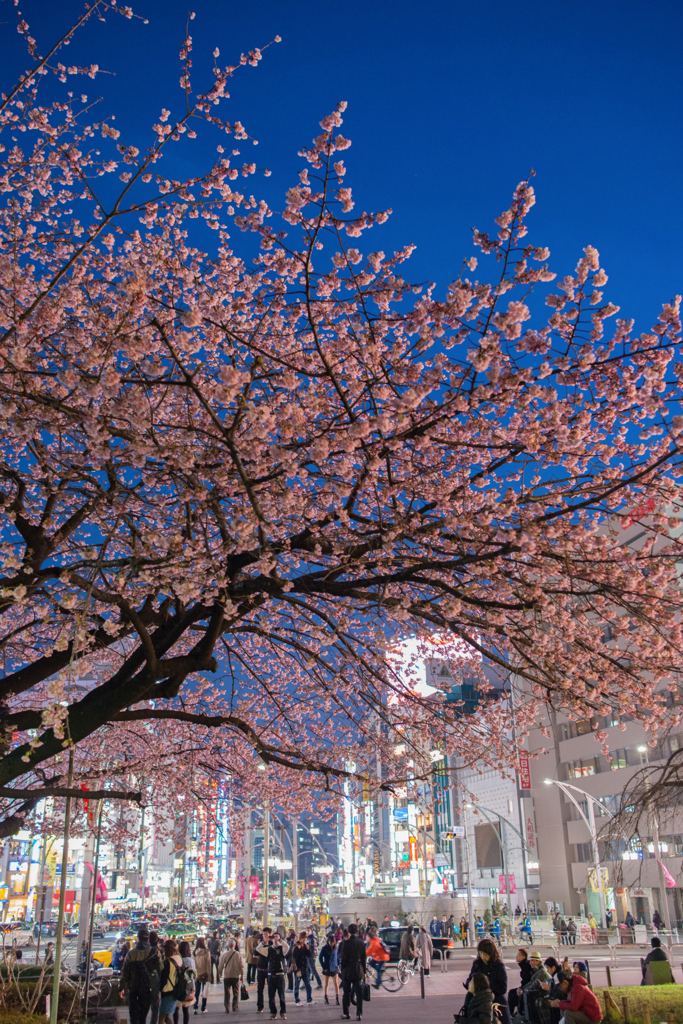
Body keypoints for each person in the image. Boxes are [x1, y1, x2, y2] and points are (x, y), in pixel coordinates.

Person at [120, 927, 163, 1024]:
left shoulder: (131, 954)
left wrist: (121, 987)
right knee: (143, 1016)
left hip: (133, 988)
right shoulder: (155, 952)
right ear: (148, 939)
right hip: (147, 987)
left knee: (133, 1016)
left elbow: (125, 972)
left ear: (138, 939)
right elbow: (161, 968)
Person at [465, 939, 508, 1024]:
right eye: (480, 953)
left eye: (485, 954)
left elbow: (503, 988)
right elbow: (470, 979)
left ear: (491, 954)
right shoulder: (477, 964)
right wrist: (470, 984)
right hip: (476, 1001)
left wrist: (485, 985)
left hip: (494, 1001)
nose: (482, 956)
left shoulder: (498, 966)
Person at [340, 923, 366, 1023]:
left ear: (349, 932)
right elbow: (364, 958)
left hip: (348, 970)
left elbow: (343, 958)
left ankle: (346, 1012)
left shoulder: (345, 943)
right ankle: (359, 1014)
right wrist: (364, 971)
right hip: (358, 969)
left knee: (346, 992)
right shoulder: (361, 943)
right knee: (359, 993)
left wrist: (342, 969)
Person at [520, 951, 550, 1024]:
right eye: (530, 961)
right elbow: (531, 983)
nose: (531, 963)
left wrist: (523, 989)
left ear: (538, 961)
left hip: (544, 994)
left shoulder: (542, 972)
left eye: (533, 961)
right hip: (539, 992)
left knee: (530, 995)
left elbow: (534, 985)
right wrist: (522, 989)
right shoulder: (537, 970)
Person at [159, 940, 184, 1024]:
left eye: (165, 949)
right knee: (166, 1017)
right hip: (175, 991)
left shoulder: (168, 961)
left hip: (167, 992)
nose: (164, 951)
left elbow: (163, 976)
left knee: (161, 1019)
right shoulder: (179, 958)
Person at [219, 937, 245, 1014]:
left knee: (227, 993)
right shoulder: (238, 954)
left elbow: (220, 966)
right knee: (236, 992)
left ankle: (227, 1007)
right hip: (235, 976)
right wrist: (242, 976)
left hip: (227, 976)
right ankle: (235, 1006)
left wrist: (220, 974)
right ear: (234, 946)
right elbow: (242, 966)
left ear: (228, 946)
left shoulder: (225, 954)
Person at [174, 942, 197, 1024]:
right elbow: (193, 976)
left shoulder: (177, 959)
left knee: (176, 1009)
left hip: (177, 987)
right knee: (185, 1009)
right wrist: (193, 988)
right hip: (187, 987)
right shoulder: (191, 961)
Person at [292, 931, 315, 1006]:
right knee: (297, 985)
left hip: (305, 968)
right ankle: (297, 1001)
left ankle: (309, 999)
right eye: (304, 938)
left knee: (308, 984)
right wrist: (298, 949)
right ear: (300, 938)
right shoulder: (296, 946)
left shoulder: (305, 946)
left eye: (306, 938)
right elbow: (294, 957)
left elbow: (309, 955)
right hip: (298, 969)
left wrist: (308, 949)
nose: (305, 940)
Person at [508, 948, 532, 1018]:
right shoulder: (524, 964)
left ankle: (514, 1013)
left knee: (513, 995)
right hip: (524, 987)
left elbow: (528, 981)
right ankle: (511, 1013)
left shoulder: (526, 965)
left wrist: (521, 988)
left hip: (526, 988)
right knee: (512, 992)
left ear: (524, 957)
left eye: (518, 955)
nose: (516, 956)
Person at [319, 933, 340, 1004]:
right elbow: (320, 958)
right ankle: (326, 997)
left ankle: (337, 998)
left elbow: (338, 957)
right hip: (327, 967)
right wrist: (324, 966)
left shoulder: (336, 948)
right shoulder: (324, 948)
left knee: (336, 983)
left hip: (334, 967)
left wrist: (338, 965)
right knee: (326, 983)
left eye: (333, 942)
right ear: (328, 941)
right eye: (331, 942)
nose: (332, 944)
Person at [255, 927, 272, 1013]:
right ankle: (260, 1006)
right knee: (260, 989)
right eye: (263, 935)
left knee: (271, 989)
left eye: (266, 934)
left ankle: (271, 1006)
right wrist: (262, 943)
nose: (264, 936)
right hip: (261, 969)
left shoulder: (272, 944)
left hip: (269, 969)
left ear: (270, 934)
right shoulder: (260, 944)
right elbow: (255, 952)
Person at [193, 937, 211, 1014]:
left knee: (197, 991)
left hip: (197, 974)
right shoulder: (206, 952)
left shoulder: (194, 952)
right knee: (205, 991)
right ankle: (203, 1008)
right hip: (204, 974)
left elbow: (193, 965)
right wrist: (209, 976)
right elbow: (208, 965)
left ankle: (195, 1007)